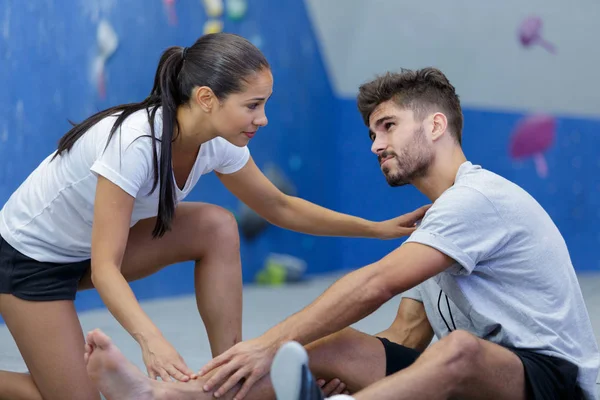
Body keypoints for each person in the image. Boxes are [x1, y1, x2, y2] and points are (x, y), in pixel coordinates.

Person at [81, 67, 600, 400]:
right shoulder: (438, 221)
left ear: (437, 127)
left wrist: (265, 344)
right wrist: (333, 373)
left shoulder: (476, 200)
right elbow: (404, 337)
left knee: (458, 349)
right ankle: (172, 399)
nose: (376, 144)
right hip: (480, 382)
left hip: (551, 382)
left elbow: (376, 283)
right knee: (338, 347)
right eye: (372, 133)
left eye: (389, 127)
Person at [0, 33, 427, 400]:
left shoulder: (219, 142)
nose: (262, 119)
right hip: (29, 262)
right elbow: (105, 267)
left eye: (265, 104)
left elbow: (278, 206)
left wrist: (375, 230)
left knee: (216, 225)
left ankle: (234, 377)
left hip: (87, 251)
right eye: (252, 105)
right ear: (206, 98)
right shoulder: (135, 143)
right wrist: (153, 342)